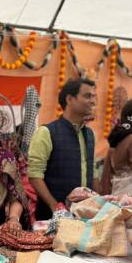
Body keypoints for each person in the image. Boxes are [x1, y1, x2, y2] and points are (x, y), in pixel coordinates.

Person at [28, 78, 98, 219]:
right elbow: (35, 175)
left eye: (93, 96)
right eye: (87, 96)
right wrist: (54, 205)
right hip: (52, 216)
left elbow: (93, 172)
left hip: (85, 214)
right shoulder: (46, 132)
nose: (93, 101)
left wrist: (98, 202)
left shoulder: (90, 134)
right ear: (70, 99)